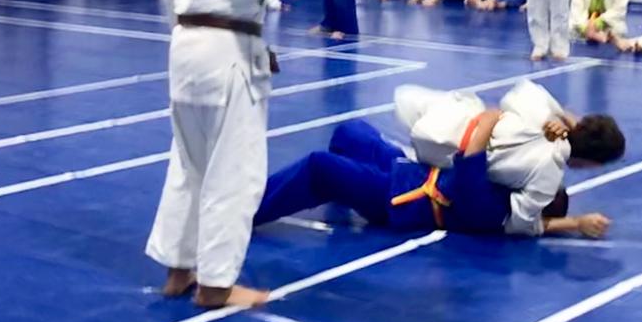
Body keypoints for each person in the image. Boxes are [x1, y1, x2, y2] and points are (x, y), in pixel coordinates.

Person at [146, 0, 422, 309]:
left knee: (187, 163)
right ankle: (216, 284)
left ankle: (178, 270)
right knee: (233, 168)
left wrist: (240, 38)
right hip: (225, 47)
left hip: (186, 43)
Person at [254, 120, 609, 239]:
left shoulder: (492, 209)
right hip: (406, 169)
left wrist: (490, 119)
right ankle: (344, 191)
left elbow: (472, 153)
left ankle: (247, 211)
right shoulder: (508, 180)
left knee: (320, 168)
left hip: (393, 199)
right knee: (350, 132)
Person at [394, 79, 624, 237]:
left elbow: (522, 90)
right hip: (444, 151)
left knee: (404, 95)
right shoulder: (548, 175)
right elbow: (520, 224)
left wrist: (562, 116)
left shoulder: (542, 113)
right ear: (591, 163)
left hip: (454, 114)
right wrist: (576, 223)